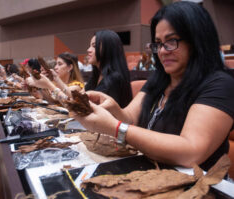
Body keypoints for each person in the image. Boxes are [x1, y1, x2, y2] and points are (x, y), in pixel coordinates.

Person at [73, 2, 234, 171]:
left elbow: (190, 152)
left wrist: (116, 128)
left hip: (197, 186)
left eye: (171, 41)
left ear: (196, 40)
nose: (163, 51)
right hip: (150, 171)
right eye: (158, 43)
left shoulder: (220, 84)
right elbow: (130, 118)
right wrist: (111, 105)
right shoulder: (159, 78)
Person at [85, 30, 132, 108]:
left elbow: (93, 108)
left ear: (107, 49)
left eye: (94, 46)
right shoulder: (96, 75)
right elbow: (83, 98)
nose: (88, 50)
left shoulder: (114, 79)